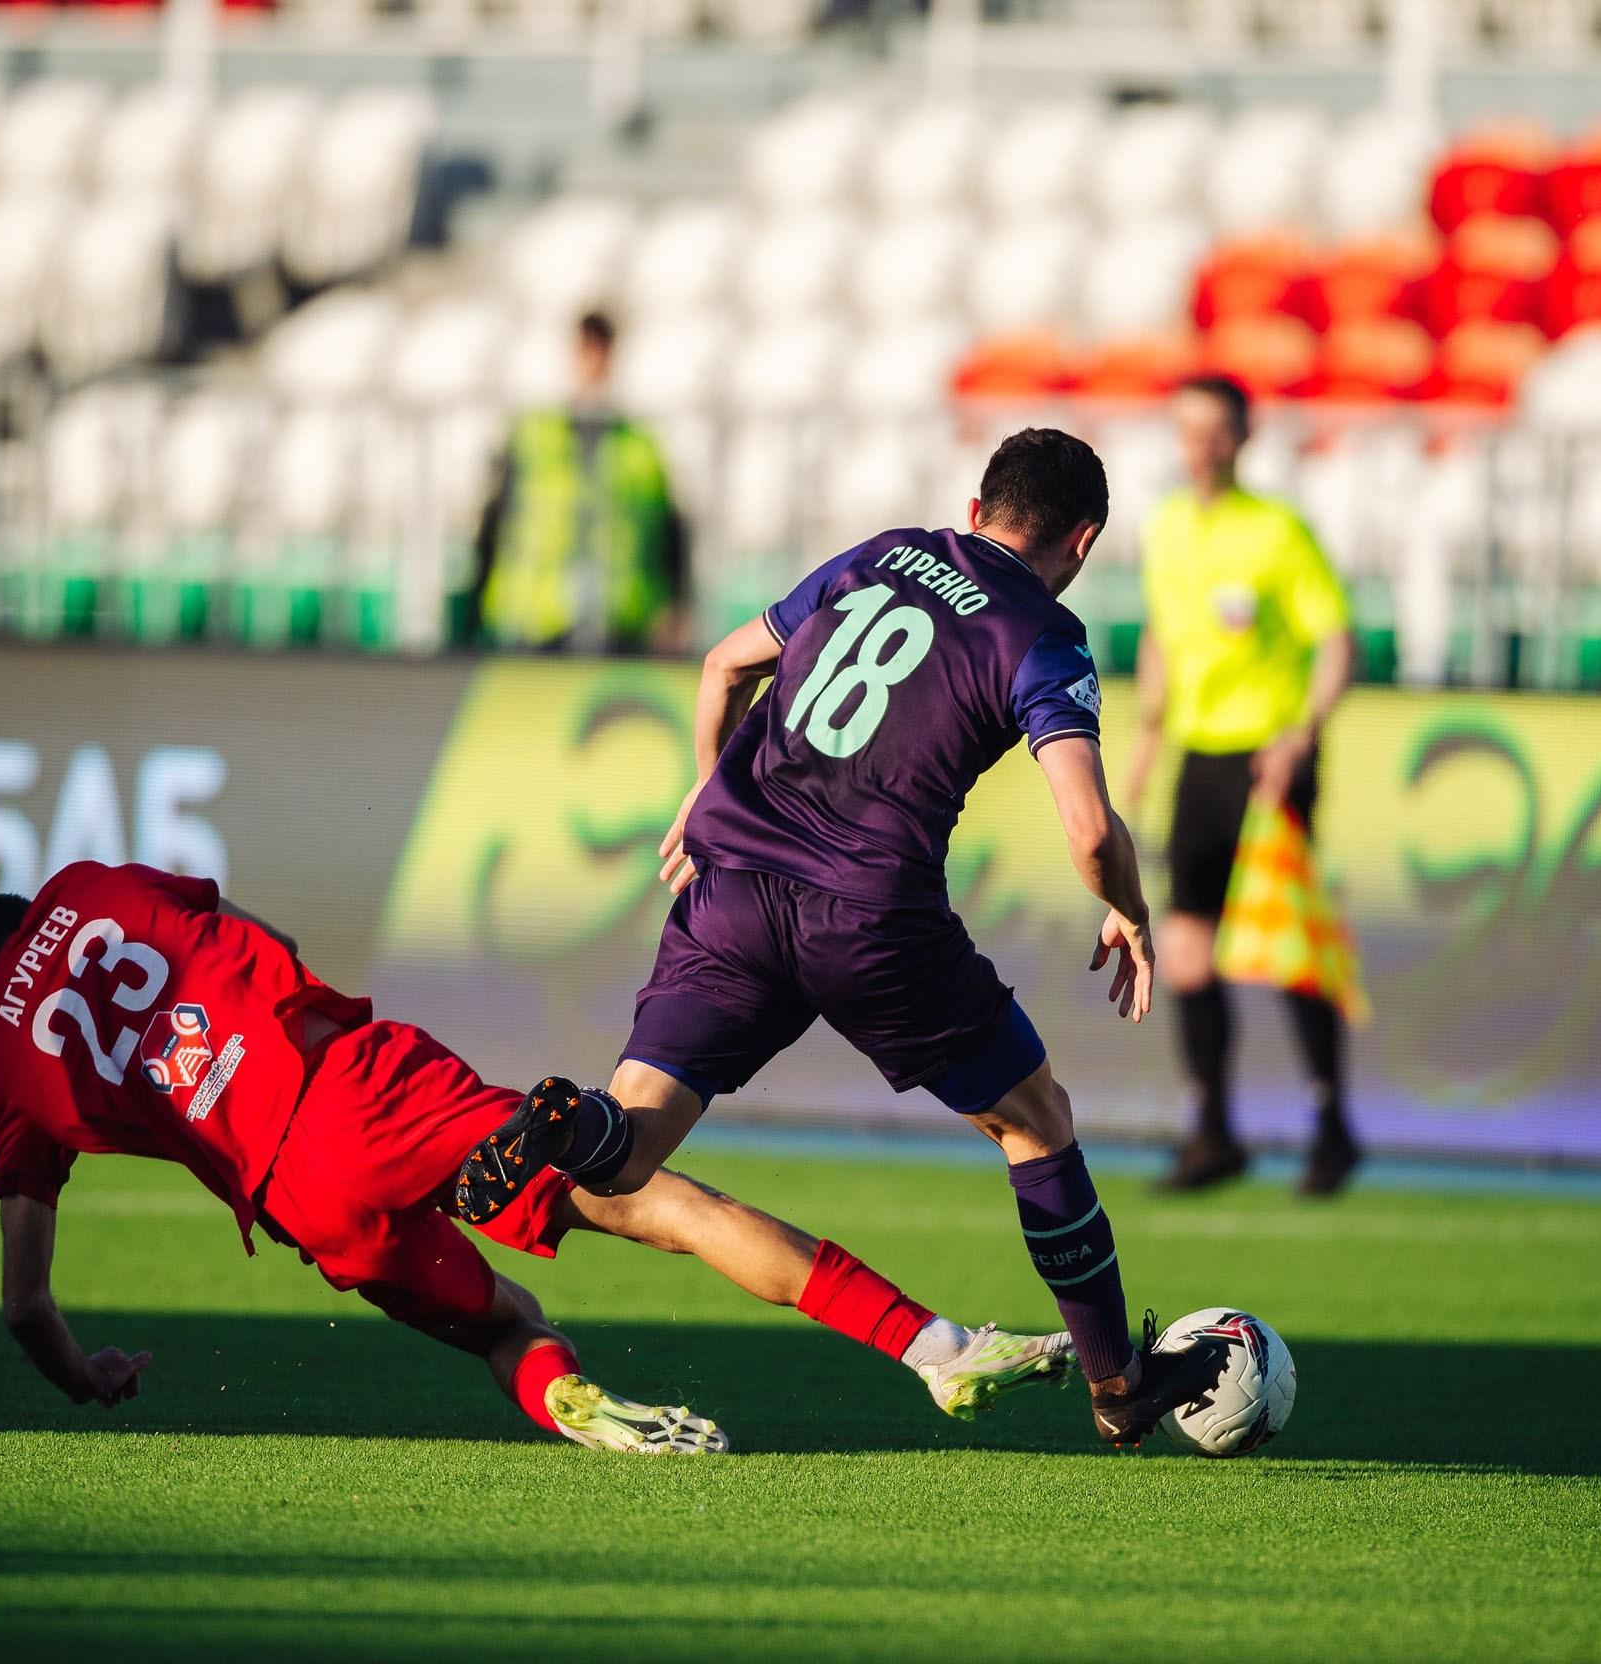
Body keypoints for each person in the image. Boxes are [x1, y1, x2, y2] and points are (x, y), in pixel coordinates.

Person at [453, 428, 1233, 1449]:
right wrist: (1129, 907)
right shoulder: (1043, 634)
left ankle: (569, 1128)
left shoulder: (884, 552)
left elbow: (724, 664)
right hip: (868, 915)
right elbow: (1089, 829)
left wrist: (708, 787)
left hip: (732, 889)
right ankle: (1117, 1385)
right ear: (1083, 540)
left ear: (976, 508)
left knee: (629, 1149)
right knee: (1035, 1121)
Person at [0, 860, 1071, 1455]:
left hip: (292, 1192)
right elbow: (267, 940)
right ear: (31, 905)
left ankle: (568, 1393)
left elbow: (24, 1303)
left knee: (503, 1324)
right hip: (359, 1083)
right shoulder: (91, 887)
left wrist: (88, 1374)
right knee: (660, 1200)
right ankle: (933, 1347)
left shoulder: (0, 1063)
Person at [1117, 373, 1361, 1199]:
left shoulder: (1278, 531)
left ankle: (1331, 1125)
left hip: (1268, 761)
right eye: (1188, 429)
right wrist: (1147, 738)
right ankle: (1214, 1133)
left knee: (1285, 948)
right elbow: (1163, 635)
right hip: (1199, 758)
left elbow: (1336, 640)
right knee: (1187, 949)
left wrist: (1303, 733)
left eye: (1216, 429)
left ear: (1245, 438)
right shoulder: (1166, 525)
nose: (1201, 445)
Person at [471, 311, 687, 653]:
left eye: (601, 350)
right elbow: (492, 523)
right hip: (532, 622)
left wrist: (673, 606)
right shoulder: (531, 435)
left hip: (621, 622)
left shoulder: (640, 444)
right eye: (587, 349)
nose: (594, 362)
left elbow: (670, 533)